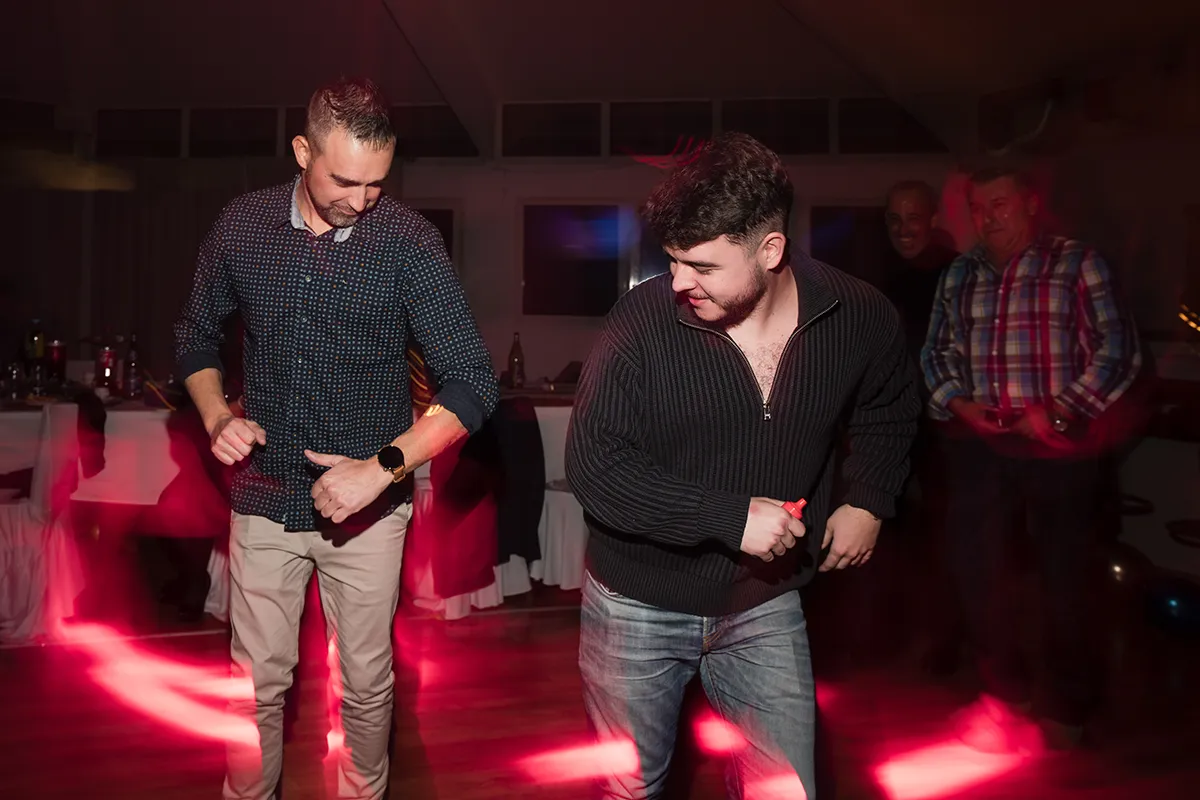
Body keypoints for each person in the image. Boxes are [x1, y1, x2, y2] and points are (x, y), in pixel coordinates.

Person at [565, 132, 919, 799]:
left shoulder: (858, 315)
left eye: (700, 265)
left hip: (764, 599)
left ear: (772, 250)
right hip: (637, 602)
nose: (677, 282)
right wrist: (732, 518)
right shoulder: (641, 322)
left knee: (785, 789)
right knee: (629, 790)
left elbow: (890, 406)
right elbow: (595, 468)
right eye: (670, 260)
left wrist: (869, 497)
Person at [174, 77, 497, 800]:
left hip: (370, 516)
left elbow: (472, 384)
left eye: (377, 183)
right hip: (264, 495)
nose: (361, 199)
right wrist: (218, 418)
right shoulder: (242, 226)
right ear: (302, 151)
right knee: (251, 687)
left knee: (365, 687)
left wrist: (382, 468)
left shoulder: (409, 243)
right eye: (345, 179)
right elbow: (194, 339)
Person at [921, 167, 1140, 751]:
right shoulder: (959, 273)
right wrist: (960, 404)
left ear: (1030, 204)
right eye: (980, 207)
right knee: (977, 573)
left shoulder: (1076, 263)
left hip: (1059, 446)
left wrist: (1059, 412)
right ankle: (1004, 696)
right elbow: (937, 352)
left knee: (1064, 578)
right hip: (982, 447)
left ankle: (1066, 705)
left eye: (1001, 204)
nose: (990, 217)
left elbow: (1118, 350)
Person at [880, 180, 963, 675]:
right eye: (894, 220)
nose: (903, 229)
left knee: (943, 543)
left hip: (947, 431)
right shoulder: (887, 276)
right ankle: (909, 641)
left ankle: (944, 647)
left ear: (932, 220)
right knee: (899, 541)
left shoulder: (956, 274)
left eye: (912, 218)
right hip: (898, 428)